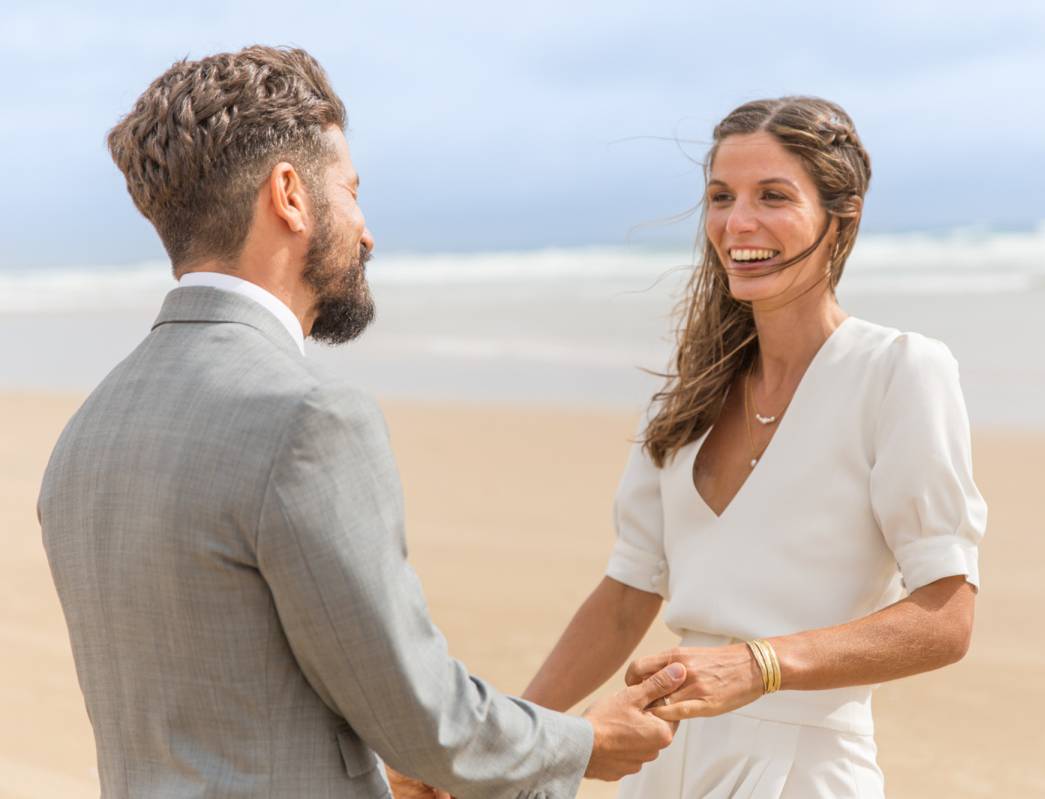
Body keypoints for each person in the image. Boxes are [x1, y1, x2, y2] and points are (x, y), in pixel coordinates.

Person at [37, 45, 684, 799]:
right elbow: (429, 719)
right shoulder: (306, 419)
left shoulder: (87, 431)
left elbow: (225, 706)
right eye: (350, 190)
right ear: (290, 195)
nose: (367, 230)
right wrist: (586, 741)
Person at [521, 97, 988, 797]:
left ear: (843, 214)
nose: (738, 222)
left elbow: (947, 617)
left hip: (805, 769)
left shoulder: (899, 371)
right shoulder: (687, 400)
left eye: (773, 196)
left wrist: (757, 664)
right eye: (720, 197)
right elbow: (624, 597)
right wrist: (509, 739)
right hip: (661, 765)